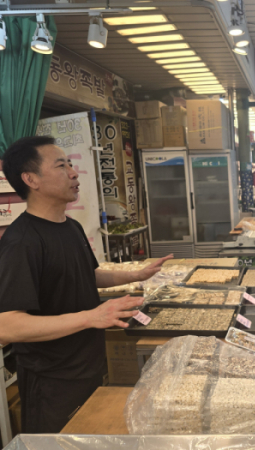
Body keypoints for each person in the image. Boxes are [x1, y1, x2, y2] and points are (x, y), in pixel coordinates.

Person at [0, 136, 174, 433]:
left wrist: (135, 275)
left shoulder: (71, 226)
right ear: (31, 179)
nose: (73, 172)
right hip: (52, 378)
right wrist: (92, 317)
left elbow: (86, 274)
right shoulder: (21, 242)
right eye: (61, 165)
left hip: (87, 364)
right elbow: (8, 325)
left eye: (70, 163)